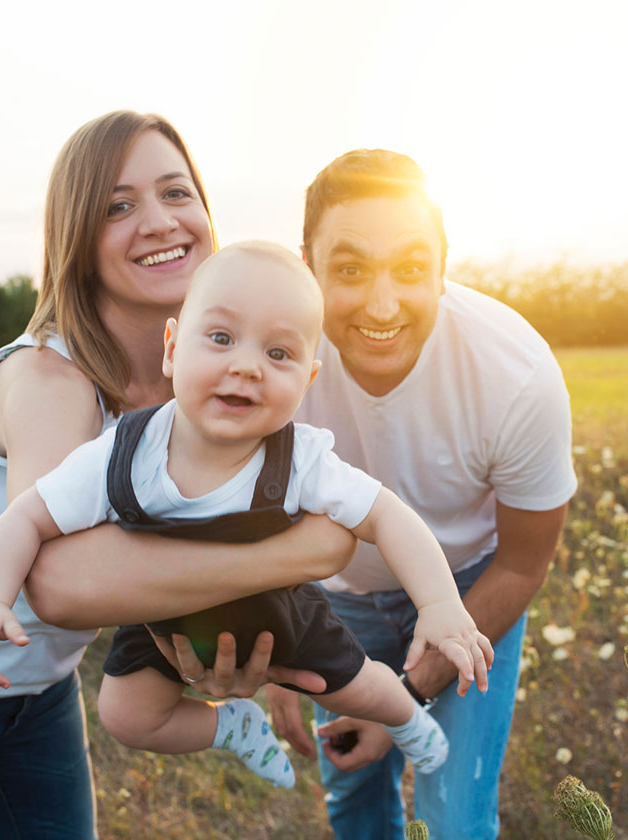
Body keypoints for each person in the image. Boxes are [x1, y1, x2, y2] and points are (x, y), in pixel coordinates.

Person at [0, 112, 356, 840]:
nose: (159, 221)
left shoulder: (206, 381)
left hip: (36, 689)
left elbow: (235, 521)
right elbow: (62, 582)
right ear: (77, 235)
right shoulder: (50, 379)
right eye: (118, 205)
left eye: (177, 193)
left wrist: (263, 642)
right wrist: (298, 556)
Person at [0, 241, 494, 792]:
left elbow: (388, 517)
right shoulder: (121, 454)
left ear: (307, 381)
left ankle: (408, 721)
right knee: (126, 715)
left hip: (279, 612)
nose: (246, 366)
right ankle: (230, 727)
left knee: (358, 690)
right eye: (221, 338)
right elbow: (25, 520)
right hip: (167, 622)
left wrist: (441, 605)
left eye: (279, 354)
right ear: (172, 347)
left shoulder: (301, 458)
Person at [263, 149, 578, 839]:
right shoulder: (262, 363)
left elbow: (523, 564)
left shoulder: (516, 376)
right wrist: (276, 660)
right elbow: (245, 526)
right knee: (353, 797)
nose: (382, 305)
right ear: (307, 266)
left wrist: (401, 699)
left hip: (474, 587)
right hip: (336, 602)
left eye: (409, 268)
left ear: (442, 266)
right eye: (348, 269)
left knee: (454, 817)